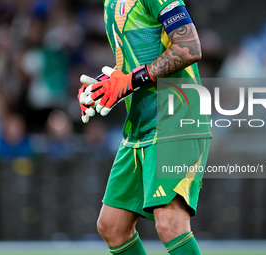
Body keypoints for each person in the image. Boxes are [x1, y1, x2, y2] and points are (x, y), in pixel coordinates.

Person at [78, 0, 212, 254]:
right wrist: (101, 86)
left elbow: (189, 47)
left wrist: (132, 80)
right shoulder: (110, 3)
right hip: (140, 125)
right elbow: (134, 63)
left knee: (170, 224)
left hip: (178, 116)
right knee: (112, 227)